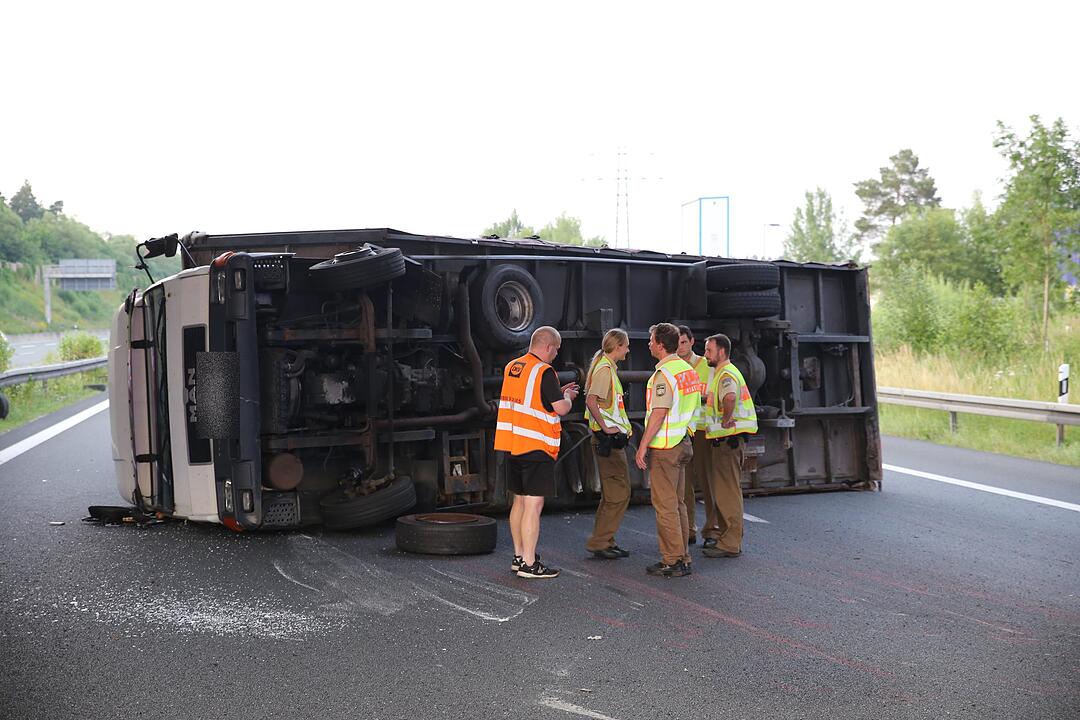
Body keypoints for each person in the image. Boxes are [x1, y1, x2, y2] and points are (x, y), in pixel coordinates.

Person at [494, 326, 579, 579]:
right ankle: (530, 565)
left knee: (519, 501)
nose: (556, 355)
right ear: (548, 346)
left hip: (513, 443)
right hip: (536, 446)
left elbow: (533, 399)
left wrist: (558, 392)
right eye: (556, 350)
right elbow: (561, 409)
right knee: (534, 503)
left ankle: (519, 556)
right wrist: (570, 397)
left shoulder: (513, 367)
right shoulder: (544, 371)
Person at [635, 322, 701, 577]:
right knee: (679, 504)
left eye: (652, 340)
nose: (649, 344)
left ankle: (672, 560)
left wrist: (642, 446)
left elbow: (659, 412)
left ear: (661, 346)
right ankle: (683, 556)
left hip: (665, 446)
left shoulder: (664, 374)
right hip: (683, 441)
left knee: (665, 505)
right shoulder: (688, 370)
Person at [701, 333, 758, 559]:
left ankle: (730, 542)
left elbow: (730, 397)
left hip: (728, 440)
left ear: (721, 351)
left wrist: (726, 419)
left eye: (708, 350)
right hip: (727, 440)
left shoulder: (726, 374)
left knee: (727, 492)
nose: (706, 354)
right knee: (726, 490)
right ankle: (728, 538)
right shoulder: (722, 373)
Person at [583, 329, 633, 559]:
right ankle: (600, 541)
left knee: (613, 493)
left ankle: (605, 539)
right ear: (618, 346)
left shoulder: (605, 368)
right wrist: (606, 427)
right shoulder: (605, 370)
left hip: (609, 440)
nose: (628, 350)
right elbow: (591, 400)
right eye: (626, 346)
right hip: (609, 442)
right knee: (619, 493)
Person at [676, 325, 712, 546]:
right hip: (683, 431)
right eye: (676, 343)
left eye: (683, 342)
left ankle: (712, 531)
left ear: (691, 341)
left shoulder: (706, 366)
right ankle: (688, 528)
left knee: (708, 481)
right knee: (684, 482)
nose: (680, 347)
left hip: (702, 430)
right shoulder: (673, 367)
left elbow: (711, 395)